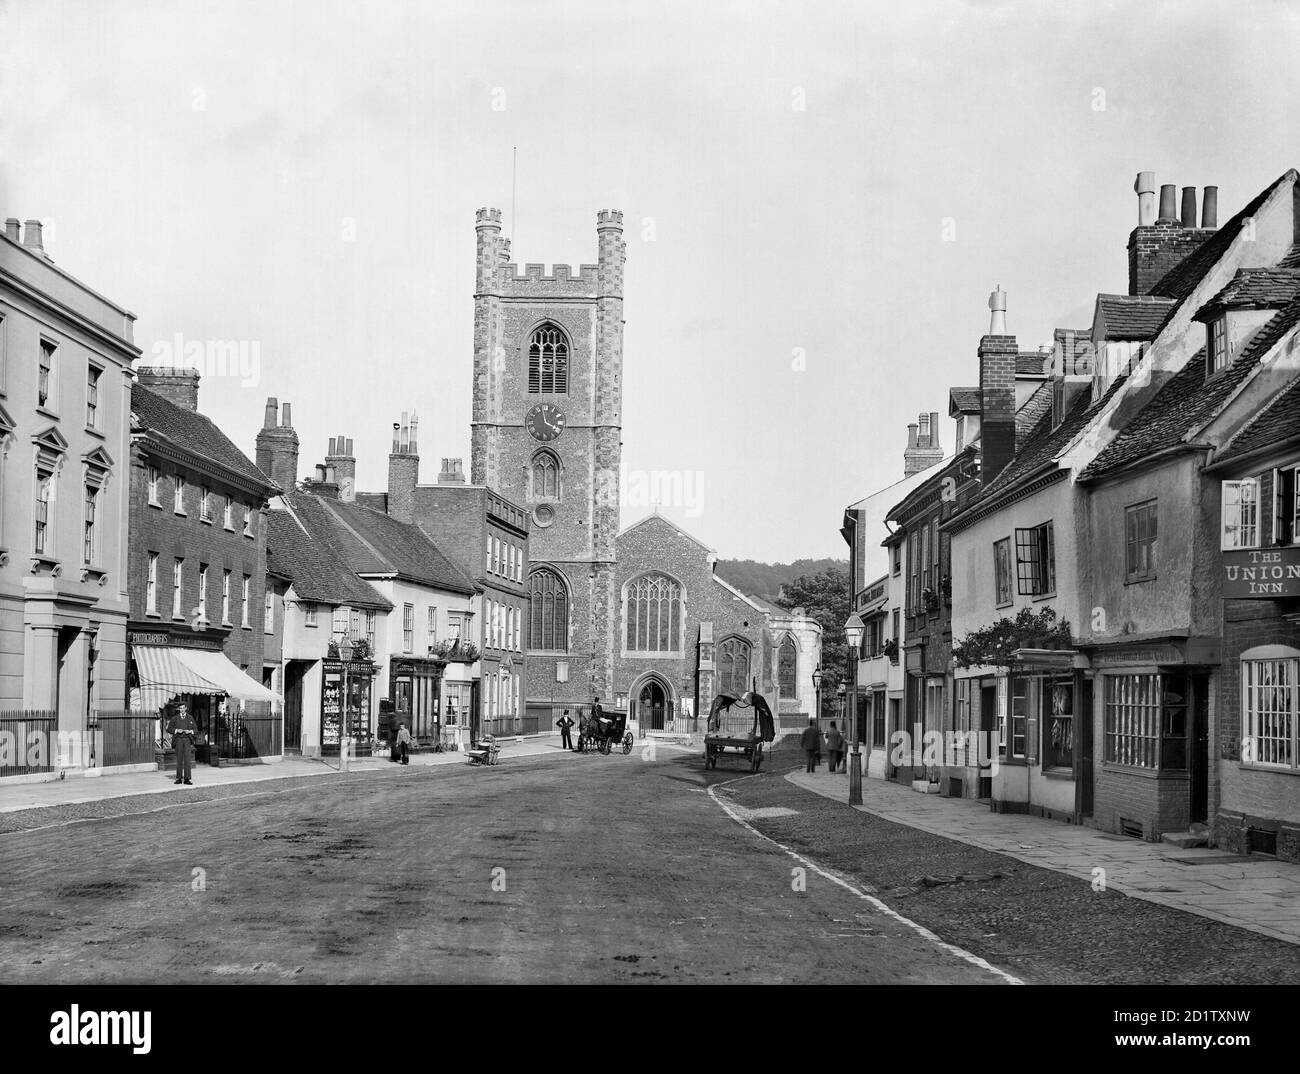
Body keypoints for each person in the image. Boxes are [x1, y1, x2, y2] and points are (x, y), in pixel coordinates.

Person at [166, 701, 197, 785]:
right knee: (179, 759)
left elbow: (195, 729)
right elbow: (169, 729)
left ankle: (187, 779)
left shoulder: (190, 718)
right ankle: (179, 778)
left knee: (187, 760)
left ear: (186, 708)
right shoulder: (174, 718)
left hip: (187, 740)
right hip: (178, 740)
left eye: (183, 708)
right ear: (179, 709)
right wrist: (176, 730)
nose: (182, 710)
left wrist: (190, 731)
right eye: (180, 708)